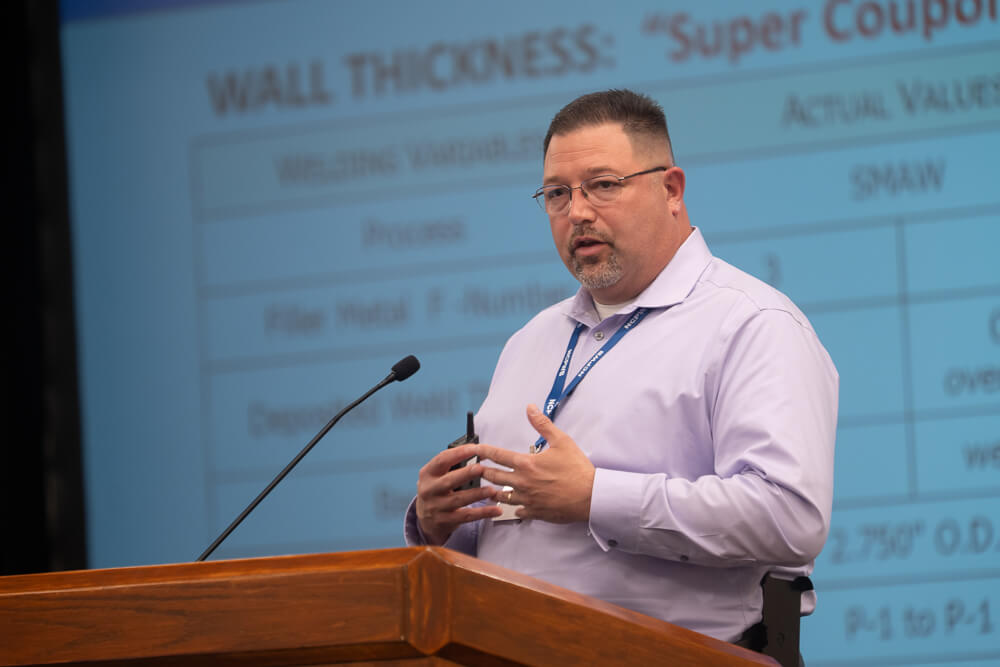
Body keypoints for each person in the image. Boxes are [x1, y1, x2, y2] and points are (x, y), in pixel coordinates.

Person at [404, 89, 838, 646]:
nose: (577, 212)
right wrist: (441, 523)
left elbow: (789, 518)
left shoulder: (751, 324)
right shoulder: (529, 341)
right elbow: (508, 531)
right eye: (557, 194)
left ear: (671, 189)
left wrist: (595, 497)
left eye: (603, 185)